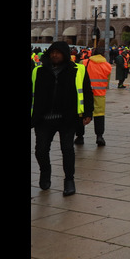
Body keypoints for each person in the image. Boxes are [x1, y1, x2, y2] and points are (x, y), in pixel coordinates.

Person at [31, 41, 94, 196]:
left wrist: (88, 113)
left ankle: (69, 180)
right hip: (44, 118)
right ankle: (45, 172)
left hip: (68, 117)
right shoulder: (38, 71)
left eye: (58, 52)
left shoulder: (78, 70)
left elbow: (87, 92)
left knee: (67, 150)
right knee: (41, 150)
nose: (55, 55)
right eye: (53, 52)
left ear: (65, 54)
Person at [76, 47, 112, 146]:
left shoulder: (83, 62)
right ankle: (99, 137)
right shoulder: (108, 65)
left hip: (84, 94)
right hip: (99, 95)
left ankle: (80, 137)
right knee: (99, 116)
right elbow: (107, 82)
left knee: (81, 115)